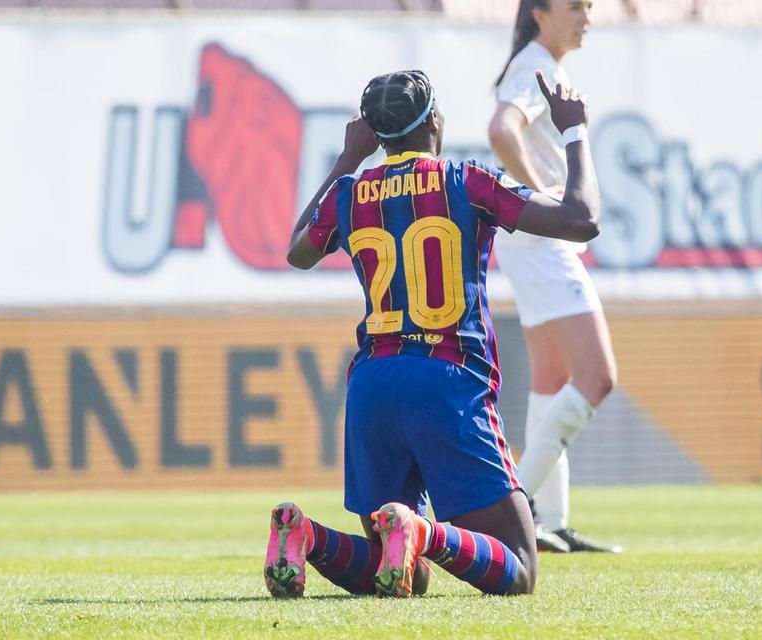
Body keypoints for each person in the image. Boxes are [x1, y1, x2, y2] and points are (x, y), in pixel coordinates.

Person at [264, 68, 601, 598]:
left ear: (374, 134)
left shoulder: (350, 193)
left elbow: (297, 251)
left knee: (398, 574)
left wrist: (348, 158)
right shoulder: (468, 180)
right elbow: (581, 220)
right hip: (447, 381)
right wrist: (574, 131)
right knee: (520, 568)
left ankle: (307, 537)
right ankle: (420, 528)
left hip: (373, 384)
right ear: (434, 122)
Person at [488, 0, 621, 554]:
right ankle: (508, 506)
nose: (586, 16)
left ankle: (548, 521)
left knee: (552, 377)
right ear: (539, 13)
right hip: (540, 241)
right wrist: (541, 193)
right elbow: (501, 129)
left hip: (527, 242)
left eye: (589, 6)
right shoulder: (534, 67)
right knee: (596, 377)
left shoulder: (544, 65)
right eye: (574, 6)